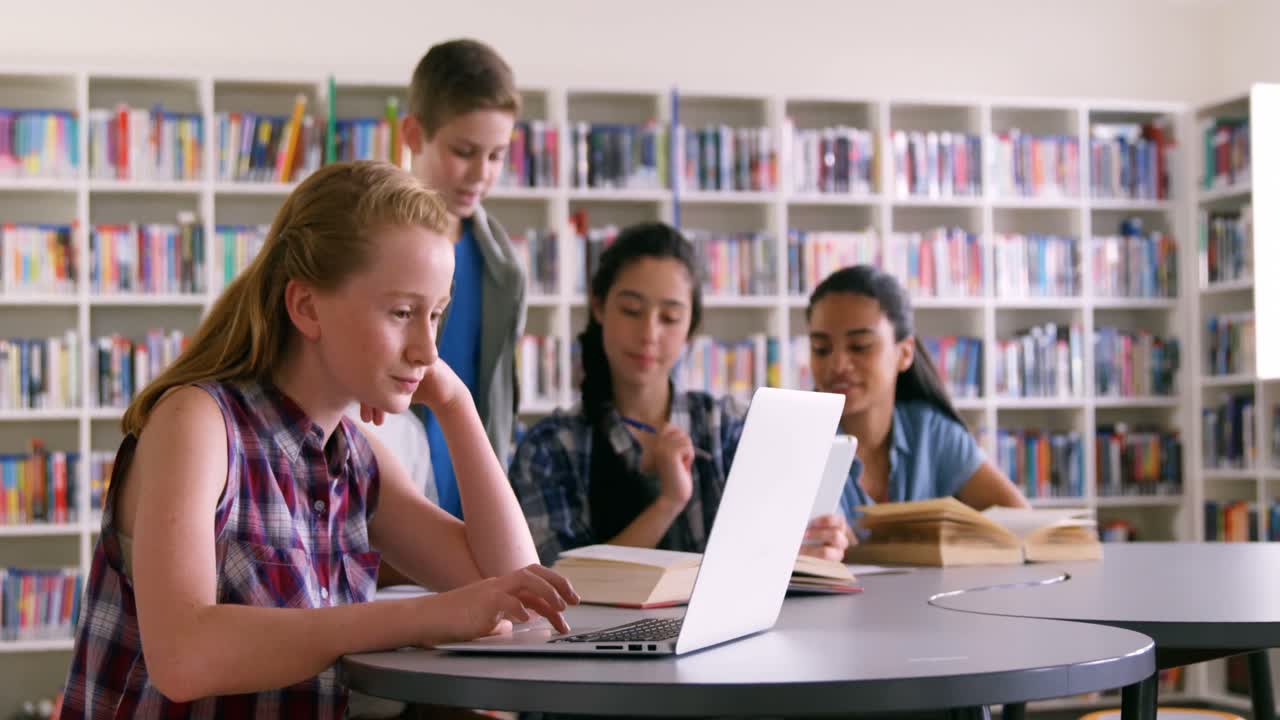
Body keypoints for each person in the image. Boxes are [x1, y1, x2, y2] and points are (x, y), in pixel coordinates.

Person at [60, 161, 577, 718]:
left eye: (436, 315)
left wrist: (458, 407)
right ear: (306, 307)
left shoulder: (357, 456)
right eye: (402, 312)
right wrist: (427, 616)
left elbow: (518, 594)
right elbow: (184, 657)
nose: (427, 349)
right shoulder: (198, 423)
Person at [508, 222, 850, 566]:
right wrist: (669, 502)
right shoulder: (550, 448)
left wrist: (813, 546)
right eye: (631, 310)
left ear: (691, 328)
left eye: (670, 317)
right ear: (599, 308)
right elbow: (561, 585)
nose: (649, 333)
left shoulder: (728, 429)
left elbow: (768, 556)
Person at [401, 38, 527, 519]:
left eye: (496, 156)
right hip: (388, 510)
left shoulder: (504, 269)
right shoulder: (365, 250)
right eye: (464, 151)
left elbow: (498, 403)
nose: (481, 174)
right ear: (414, 134)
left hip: (470, 511)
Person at [804, 264, 1029, 520]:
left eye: (859, 346)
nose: (838, 365)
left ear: (905, 353)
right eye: (821, 348)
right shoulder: (796, 438)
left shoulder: (931, 433)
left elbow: (1022, 523)